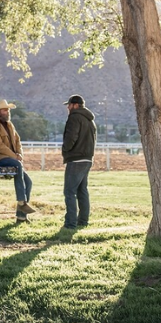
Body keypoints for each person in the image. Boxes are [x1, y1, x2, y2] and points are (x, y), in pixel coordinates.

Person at [0, 99, 34, 223]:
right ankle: (22, 201)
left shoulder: (10, 124)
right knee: (17, 165)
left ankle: (21, 217)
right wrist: (15, 156)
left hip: (10, 159)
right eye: (5, 110)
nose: (8, 111)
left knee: (28, 182)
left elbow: (17, 141)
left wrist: (19, 153)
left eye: (8, 109)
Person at [61, 94, 97, 229]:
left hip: (76, 159)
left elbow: (71, 137)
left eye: (69, 105)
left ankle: (70, 223)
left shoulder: (74, 117)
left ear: (76, 105)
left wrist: (65, 149)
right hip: (87, 158)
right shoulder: (90, 120)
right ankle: (83, 221)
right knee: (82, 190)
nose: (68, 108)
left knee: (70, 192)